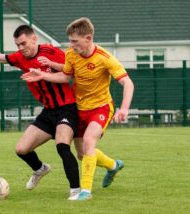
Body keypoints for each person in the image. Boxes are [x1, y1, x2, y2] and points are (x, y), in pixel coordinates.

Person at [21, 17, 134, 200]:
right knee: (83, 154)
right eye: (70, 41)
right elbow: (65, 76)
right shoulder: (71, 54)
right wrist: (42, 74)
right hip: (79, 109)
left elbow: (127, 82)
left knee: (89, 141)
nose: (71, 45)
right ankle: (113, 166)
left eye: (75, 41)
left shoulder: (105, 58)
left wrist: (124, 108)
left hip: (101, 108)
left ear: (88, 38)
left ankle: (85, 192)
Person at [0, 25, 81, 200]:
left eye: (23, 43)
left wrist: (43, 75)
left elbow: (69, 75)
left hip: (67, 108)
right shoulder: (21, 58)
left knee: (62, 145)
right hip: (48, 112)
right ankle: (40, 169)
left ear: (33, 38)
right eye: (17, 45)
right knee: (21, 149)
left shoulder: (52, 52)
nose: (21, 48)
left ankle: (76, 190)